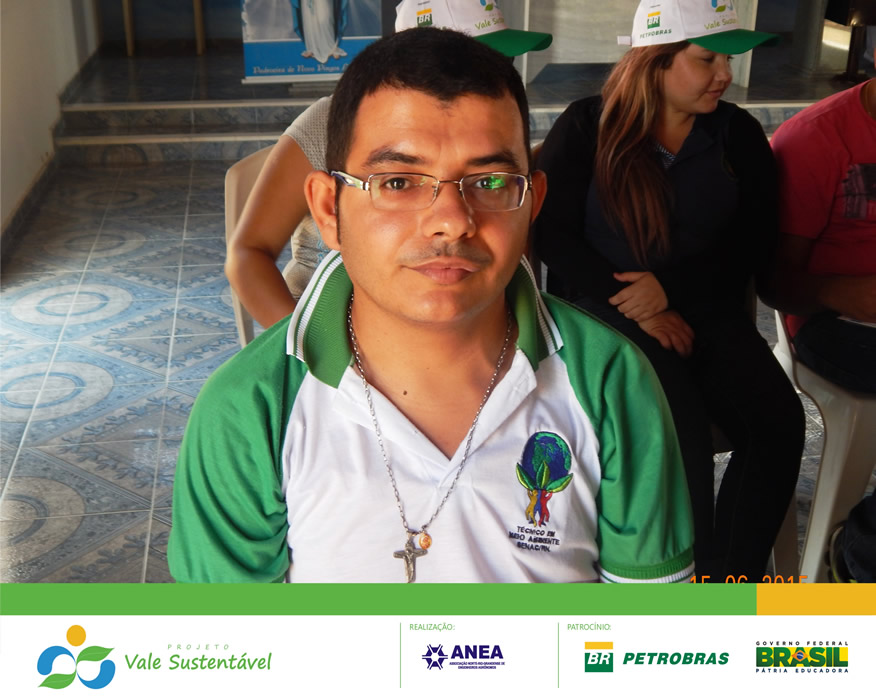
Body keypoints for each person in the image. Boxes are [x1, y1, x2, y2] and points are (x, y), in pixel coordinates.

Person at [169, 27, 694, 584]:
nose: (451, 220)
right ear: (328, 209)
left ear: (532, 203)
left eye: (490, 181)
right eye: (398, 182)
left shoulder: (610, 382)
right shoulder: (248, 410)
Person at [534, 0, 805, 581]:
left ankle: (730, 580)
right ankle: (681, 584)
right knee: (674, 423)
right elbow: (551, 231)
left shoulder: (736, 134)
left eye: (727, 60)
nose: (725, 75)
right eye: (707, 59)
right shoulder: (587, 126)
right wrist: (635, 304)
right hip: (603, 313)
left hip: (705, 307)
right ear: (654, 62)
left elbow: (753, 240)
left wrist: (669, 290)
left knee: (779, 422)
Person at [226, 0, 552, 330]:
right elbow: (248, 254)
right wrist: (304, 346)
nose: (497, 77)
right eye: (398, 182)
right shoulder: (337, 122)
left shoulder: (496, 129)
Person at [767, 78, 876, 583]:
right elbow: (775, 283)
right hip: (831, 324)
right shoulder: (816, 138)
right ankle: (859, 555)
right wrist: (846, 293)